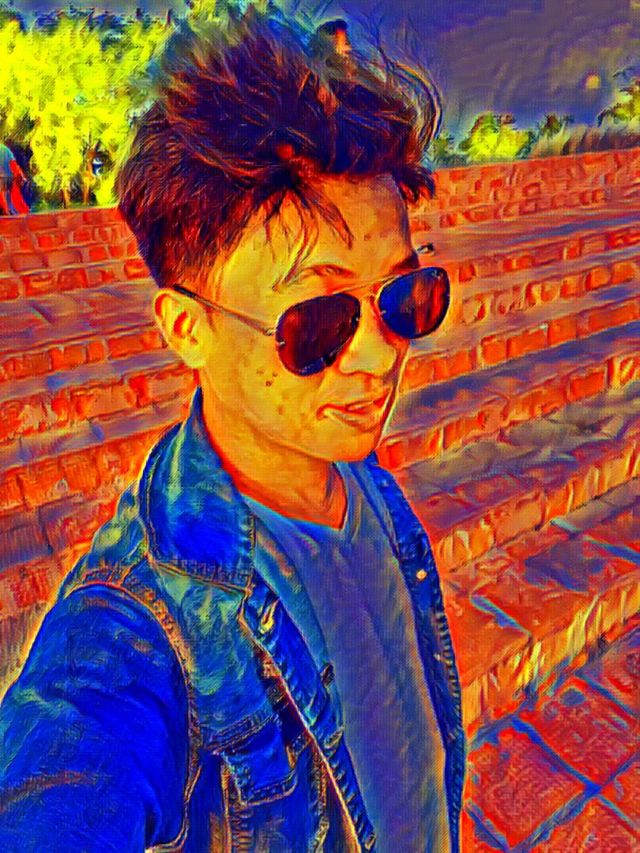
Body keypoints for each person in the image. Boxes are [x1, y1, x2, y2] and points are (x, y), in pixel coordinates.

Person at [0, 4, 465, 851]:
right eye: (318, 321)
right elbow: (63, 771)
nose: (378, 355)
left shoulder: (363, 481)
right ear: (188, 328)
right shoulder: (135, 625)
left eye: (405, 296)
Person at [0, 142, 29, 215]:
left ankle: (8, 213)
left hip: (4, 179)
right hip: (10, 177)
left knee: (6, 203)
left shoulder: (4, 149)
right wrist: (21, 176)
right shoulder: (5, 149)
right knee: (14, 202)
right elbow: (13, 164)